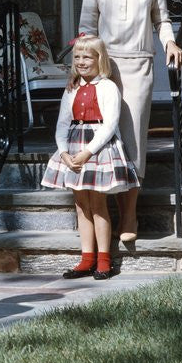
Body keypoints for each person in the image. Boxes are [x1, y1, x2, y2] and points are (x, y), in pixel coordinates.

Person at [78, 0, 182, 244]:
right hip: (105, 70)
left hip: (139, 65)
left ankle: (129, 213)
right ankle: (102, 213)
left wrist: (169, 41)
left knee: (133, 139)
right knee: (106, 139)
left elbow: (161, 19)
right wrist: (84, 70)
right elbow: (85, 31)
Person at [41, 34, 139, 280]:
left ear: (99, 59)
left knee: (97, 205)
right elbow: (63, 123)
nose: (81, 61)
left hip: (97, 149)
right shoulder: (72, 88)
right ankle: (86, 258)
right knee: (80, 205)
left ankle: (104, 260)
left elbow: (109, 125)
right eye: (77, 57)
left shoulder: (107, 87)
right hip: (73, 147)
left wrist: (87, 152)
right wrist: (63, 152)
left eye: (87, 57)